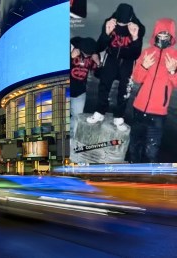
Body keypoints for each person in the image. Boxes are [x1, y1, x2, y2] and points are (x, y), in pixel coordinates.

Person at [86, 3, 145, 131]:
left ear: (130, 19)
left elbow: (136, 54)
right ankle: (99, 112)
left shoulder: (139, 27)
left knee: (124, 90)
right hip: (111, 59)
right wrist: (106, 33)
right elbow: (100, 47)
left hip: (128, 61)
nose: (121, 26)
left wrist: (135, 37)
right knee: (103, 85)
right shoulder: (110, 23)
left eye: (124, 24)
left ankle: (119, 117)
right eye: (120, 23)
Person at [129, 18, 177, 163]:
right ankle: (132, 175)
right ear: (155, 35)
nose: (162, 39)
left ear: (171, 37)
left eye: (166, 36)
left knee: (152, 151)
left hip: (158, 114)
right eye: (160, 35)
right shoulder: (147, 52)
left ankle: (150, 178)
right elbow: (137, 78)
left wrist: (172, 71)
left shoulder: (175, 56)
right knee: (134, 147)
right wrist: (144, 66)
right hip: (138, 109)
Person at [70, 36, 100, 137]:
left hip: (80, 93)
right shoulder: (71, 49)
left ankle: (72, 138)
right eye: (85, 53)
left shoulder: (94, 55)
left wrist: (98, 62)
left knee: (77, 118)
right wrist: (70, 57)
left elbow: (98, 75)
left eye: (89, 54)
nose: (87, 56)